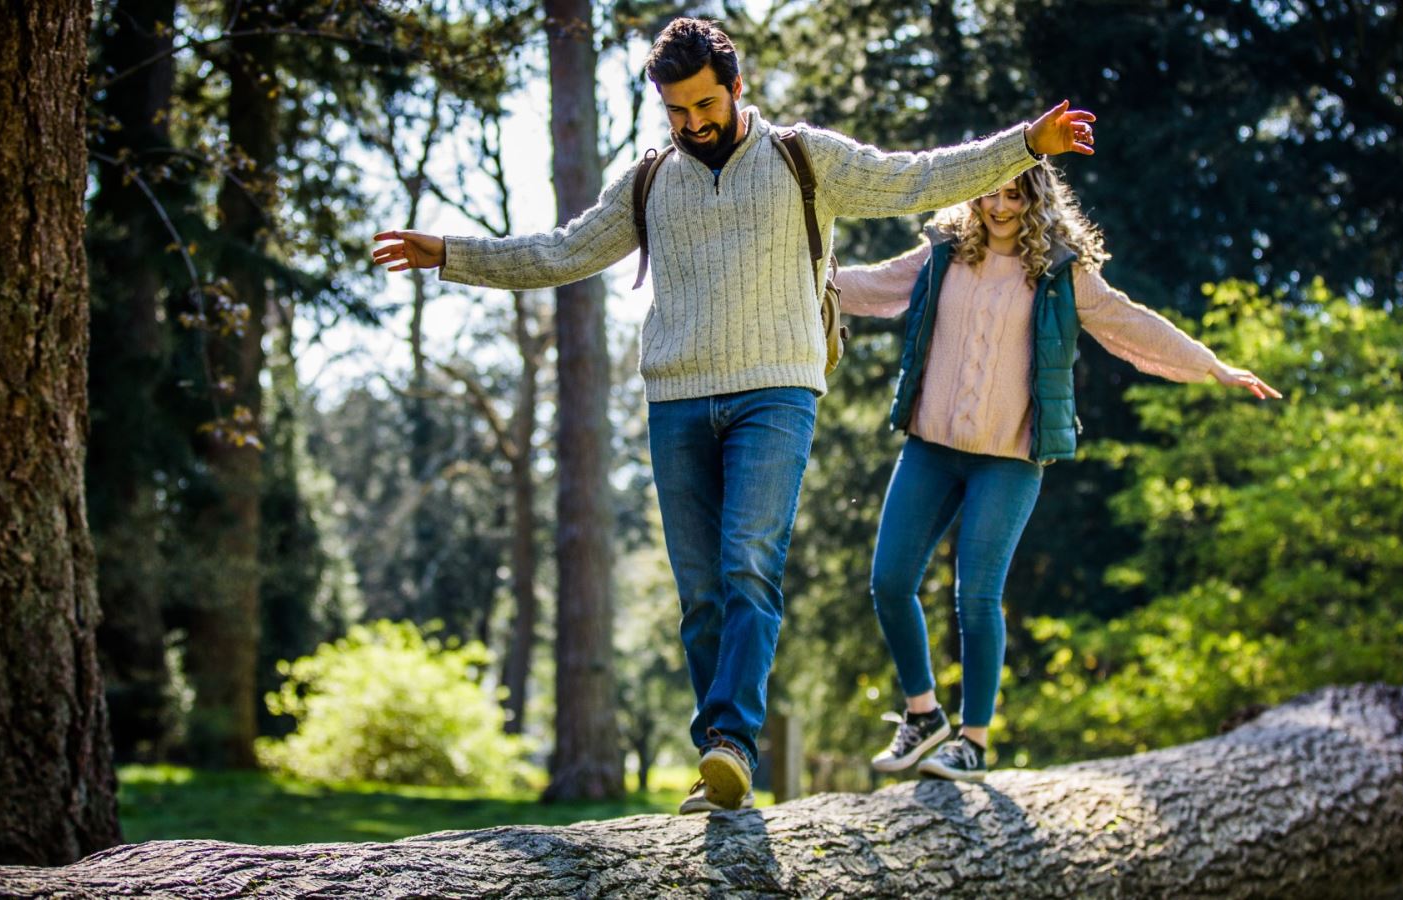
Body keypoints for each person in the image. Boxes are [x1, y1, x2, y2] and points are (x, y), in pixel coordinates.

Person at [371, 17, 1097, 813]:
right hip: (675, 398)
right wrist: (451, 254)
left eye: (704, 105)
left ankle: (729, 745)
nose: (692, 124)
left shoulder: (802, 159)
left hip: (776, 391)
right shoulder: (650, 182)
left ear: (736, 88)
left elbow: (916, 178)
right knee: (701, 596)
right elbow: (560, 251)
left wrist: (1025, 145)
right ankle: (722, 772)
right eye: (676, 111)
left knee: (749, 562)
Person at [837, 159, 1281, 782]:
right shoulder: (941, 254)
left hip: (1012, 458)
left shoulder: (1060, 273)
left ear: (1035, 199)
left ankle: (974, 741)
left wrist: (1211, 365)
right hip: (931, 447)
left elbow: (1133, 324)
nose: (998, 206)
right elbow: (869, 287)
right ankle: (923, 713)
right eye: (990, 192)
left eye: (1014, 194)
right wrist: (804, 273)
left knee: (977, 596)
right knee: (888, 581)